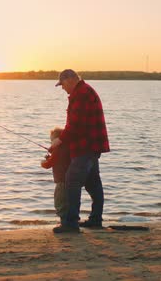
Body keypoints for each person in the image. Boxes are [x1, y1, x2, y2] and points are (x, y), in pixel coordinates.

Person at [49, 69, 110, 233]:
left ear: (69, 80)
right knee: (93, 184)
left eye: (62, 85)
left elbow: (75, 125)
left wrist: (58, 141)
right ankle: (95, 219)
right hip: (91, 145)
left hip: (85, 146)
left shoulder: (81, 94)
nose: (63, 88)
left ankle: (71, 223)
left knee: (72, 181)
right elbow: (76, 125)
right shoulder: (85, 91)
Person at [40, 127, 71, 225]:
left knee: (59, 201)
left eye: (52, 141)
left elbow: (48, 164)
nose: (51, 143)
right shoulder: (67, 147)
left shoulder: (58, 150)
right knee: (68, 201)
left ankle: (64, 222)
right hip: (70, 180)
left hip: (61, 180)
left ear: (56, 140)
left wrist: (43, 162)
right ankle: (70, 220)